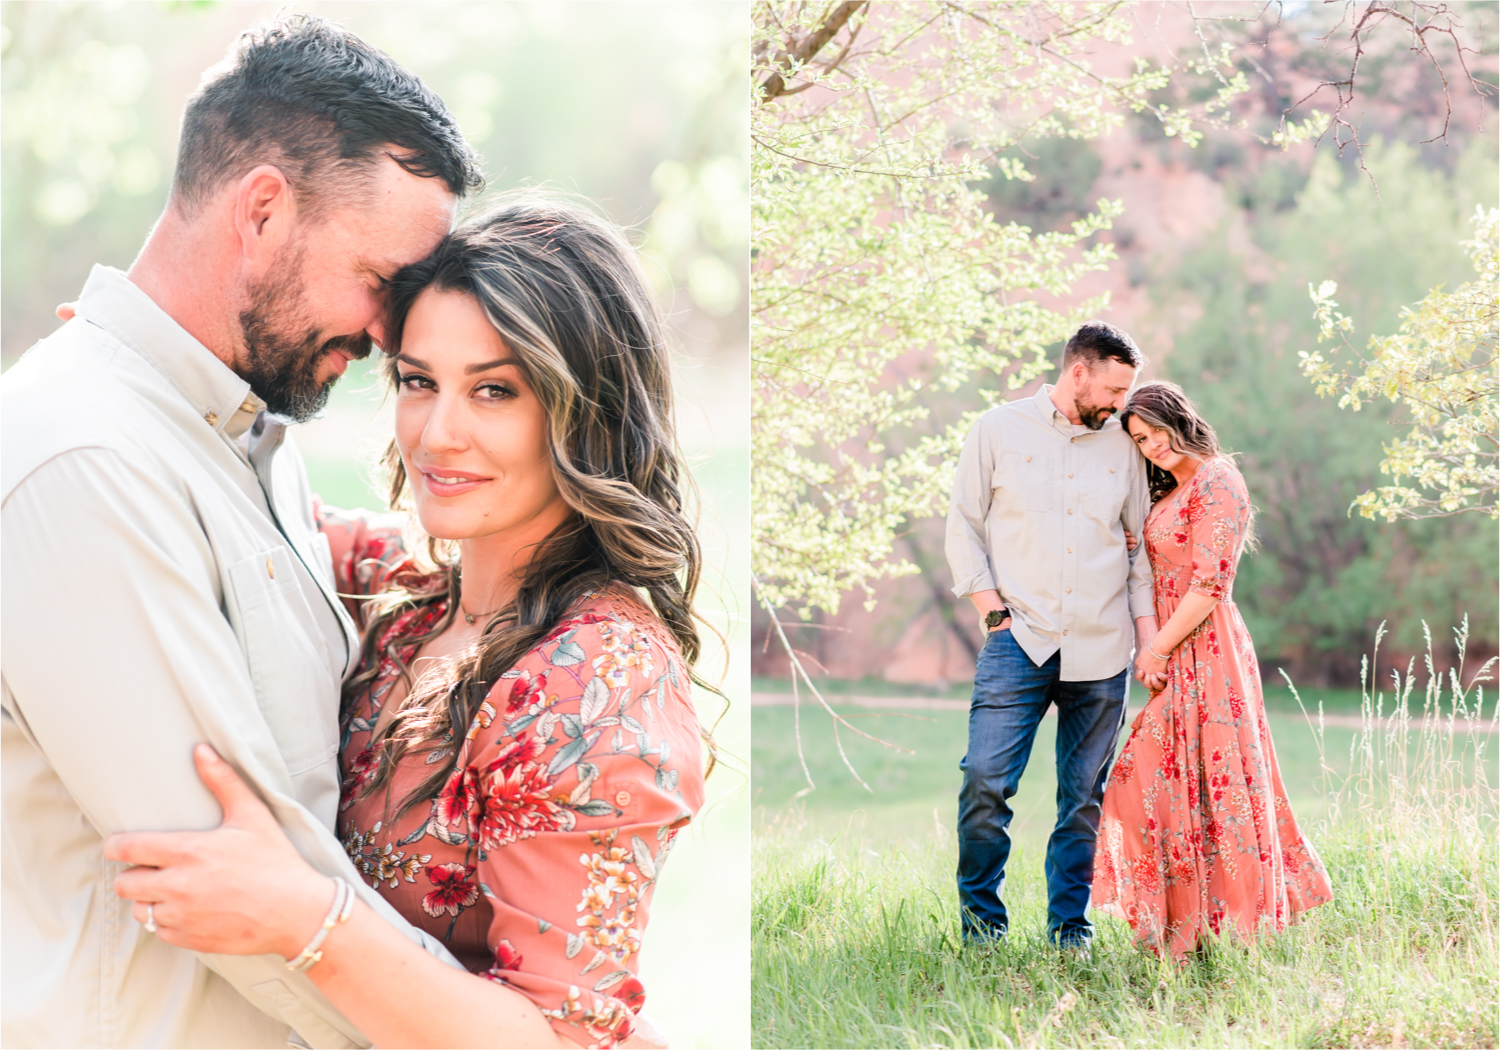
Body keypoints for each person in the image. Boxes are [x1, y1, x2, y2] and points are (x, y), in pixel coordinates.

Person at [103, 196, 708, 1050]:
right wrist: (118, 371)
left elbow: (557, 1039)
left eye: (494, 390)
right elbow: (221, 499)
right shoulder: (404, 593)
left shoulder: (594, 683)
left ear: (587, 413)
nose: (438, 432)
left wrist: (302, 917)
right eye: (419, 381)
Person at [1, 15, 482, 1048]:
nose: (388, 332)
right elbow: (241, 890)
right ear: (262, 210)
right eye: (380, 281)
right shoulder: (87, 459)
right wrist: (510, 1029)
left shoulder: (242, 436)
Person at [1091, 381, 1333, 958]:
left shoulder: (1218, 479)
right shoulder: (1172, 490)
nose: (1150, 448)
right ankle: (1186, 922)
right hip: (1177, 648)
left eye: (1153, 434)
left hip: (1207, 646)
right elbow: (1158, 561)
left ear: (1178, 418)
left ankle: (1236, 925)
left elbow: (1209, 585)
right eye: (1139, 441)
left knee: (1209, 778)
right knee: (1160, 777)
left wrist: (1155, 652)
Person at [944, 321, 1159, 951]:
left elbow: (1139, 553)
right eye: (1114, 389)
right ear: (1078, 373)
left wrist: (1146, 640)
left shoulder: (1123, 444)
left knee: (1083, 802)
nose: (1121, 403)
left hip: (1102, 644)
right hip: (1020, 640)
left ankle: (1070, 932)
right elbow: (964, 526)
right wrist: (992, 613)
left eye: (1129, 391)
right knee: (985, 780)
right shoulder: (997, 430)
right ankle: (983, 931)